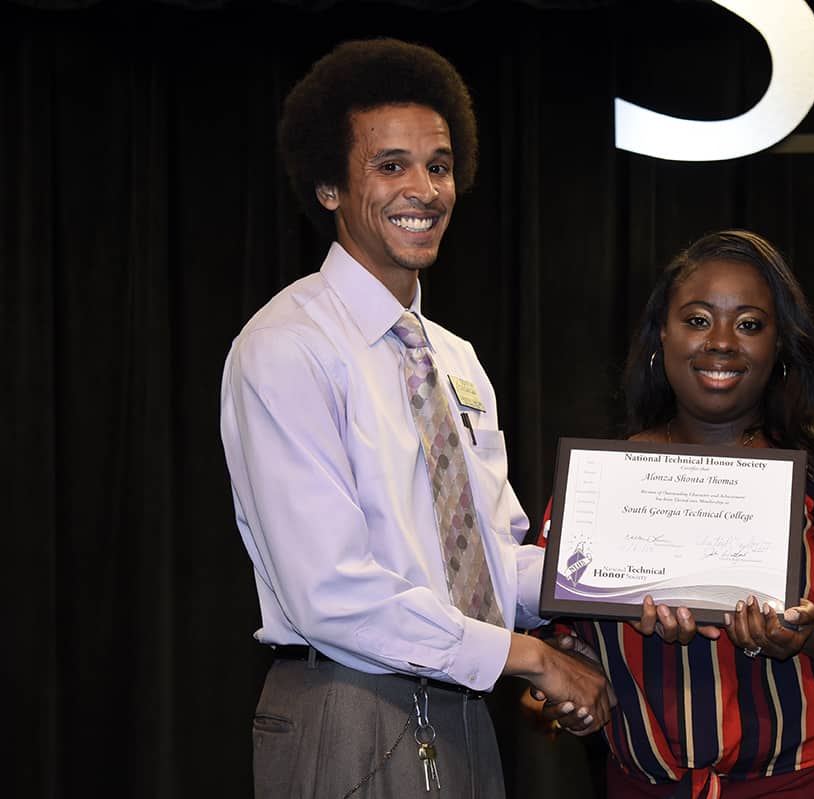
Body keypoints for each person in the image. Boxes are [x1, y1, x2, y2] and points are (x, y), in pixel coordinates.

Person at [219, 38, 611, 798]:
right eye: (391, 165)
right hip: (345, 705)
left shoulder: (456, 359)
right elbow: (330, 592)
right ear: (329, 185)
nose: (424, 189)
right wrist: (528, 658)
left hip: (462, 705)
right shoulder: (286, 347)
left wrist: (627, 581)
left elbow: (497, 560)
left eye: (438, 165)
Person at [536, 230, 814, 798]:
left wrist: (806, 632)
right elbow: (544, 671)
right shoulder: (599, 484)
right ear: (662, 333)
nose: (722, 342)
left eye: (749, 324)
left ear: (780, 344)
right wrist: (568, 696)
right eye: (698, 319)